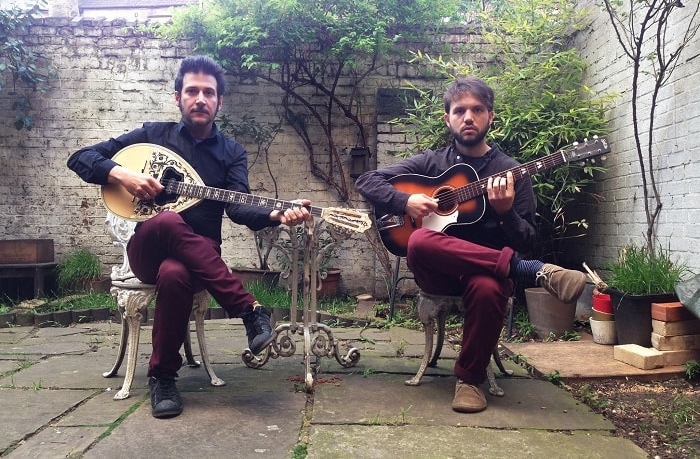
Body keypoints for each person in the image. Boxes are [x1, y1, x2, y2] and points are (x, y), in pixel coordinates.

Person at [67, 55, 312, 419]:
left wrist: (275, 213)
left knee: (176, 273)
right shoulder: (153, 135)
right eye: (192, 91)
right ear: (177, 97)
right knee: (167, 221)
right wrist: (122, 174)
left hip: (201, 259)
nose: (200, 99)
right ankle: (248, 309)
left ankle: (163, 377)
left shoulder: (231, 152)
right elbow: (80, 157)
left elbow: (239, 206)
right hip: (147, 247)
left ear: (219, 101)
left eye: (208, 92)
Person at [356, 76, 586, 413]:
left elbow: (528, 239)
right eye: (459, 110)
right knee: (418, 239)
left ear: (490, 116)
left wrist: (506, 213)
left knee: (488, 287)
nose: (468, 117)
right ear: (447, 118)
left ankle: (469, 381)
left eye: (477, 110)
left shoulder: (511, 172)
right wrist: (404, 202)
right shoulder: (432, 163)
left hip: (487, 276)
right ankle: (530, 271)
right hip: (439, 272)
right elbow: (367, 180)